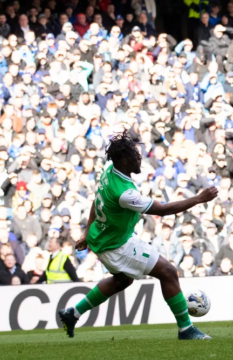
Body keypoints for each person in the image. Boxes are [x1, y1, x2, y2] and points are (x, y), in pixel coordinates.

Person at [58, 131, 219, 341]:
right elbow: (161, 210)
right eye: (135, 155)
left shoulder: (109, 171)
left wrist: (88, 232)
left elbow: (97, 202)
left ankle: (73, 313)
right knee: (168, 272)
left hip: (105, 238)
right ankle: (186, 329)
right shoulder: (126, 194)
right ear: (124, 160)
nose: (139, 157)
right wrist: (198, 199)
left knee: (122, 281)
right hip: (117, 245)